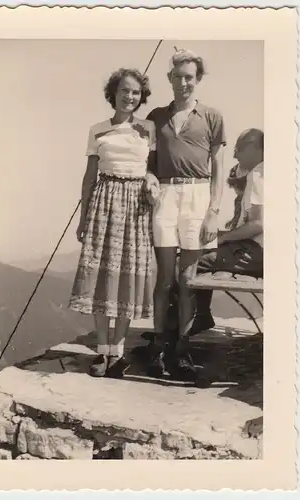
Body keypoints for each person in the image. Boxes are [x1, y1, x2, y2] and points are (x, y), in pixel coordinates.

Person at [69, 68, 156, 379]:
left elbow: (155, 168)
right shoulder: (98, 130)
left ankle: (117, 353)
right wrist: (83, 217)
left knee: (128, 278)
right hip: (104, 204)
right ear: (113, 93)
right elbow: (89, 176)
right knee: (101, 277)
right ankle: (101, 350)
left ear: (141, 96)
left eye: (135, 92)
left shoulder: (149, 130)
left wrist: (151, 182)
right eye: (124, 90)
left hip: (136, 206)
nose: (129, 96)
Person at [145, 48, 226, 378]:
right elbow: (148, 164)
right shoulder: (155, 117)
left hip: (198, 193)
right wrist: (150, 179)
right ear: (169, 79)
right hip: (165, 193)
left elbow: (219, 167)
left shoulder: (212, 116)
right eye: (177, 77)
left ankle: (182, 348)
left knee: (187, 279)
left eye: (189, 77)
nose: (183, 83)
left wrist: (213, 212)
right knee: (164, 278)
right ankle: (160, 346)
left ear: (198, 79)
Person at [190, 128, 264, 335]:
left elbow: (259, 224)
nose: (235, 155)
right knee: (203, 247)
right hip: (265, 249)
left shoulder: (259, 173)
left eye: (239, 149)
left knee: (187, 261)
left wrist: (222, 238)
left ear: (254, 148)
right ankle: (199, 316)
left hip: (259, 252)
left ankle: (175, 332)